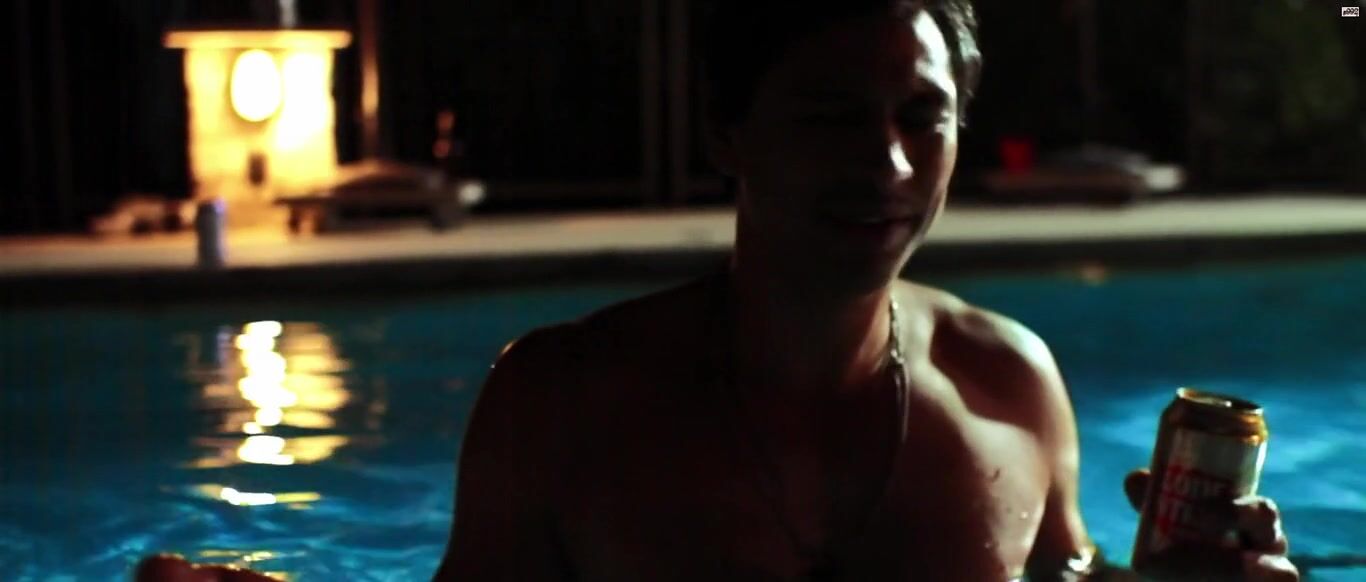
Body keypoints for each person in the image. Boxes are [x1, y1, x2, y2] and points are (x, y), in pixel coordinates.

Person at [137, 1, 1299, 580]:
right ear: (725, 133)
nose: (888, 165)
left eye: (922, 118)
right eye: (832, 116)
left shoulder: (1007, 387)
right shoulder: (562, 405)